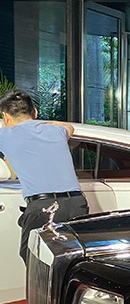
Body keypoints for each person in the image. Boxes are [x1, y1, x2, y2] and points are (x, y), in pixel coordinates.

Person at [0, 89, 88, 262]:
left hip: (45, 207)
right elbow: (69, 127)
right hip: (77, 203)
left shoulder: (5, 135)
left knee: (35, 259)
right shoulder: (57, 131)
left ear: (6, 116)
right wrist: (41, 123)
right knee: (73, 259)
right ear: (35, 113)